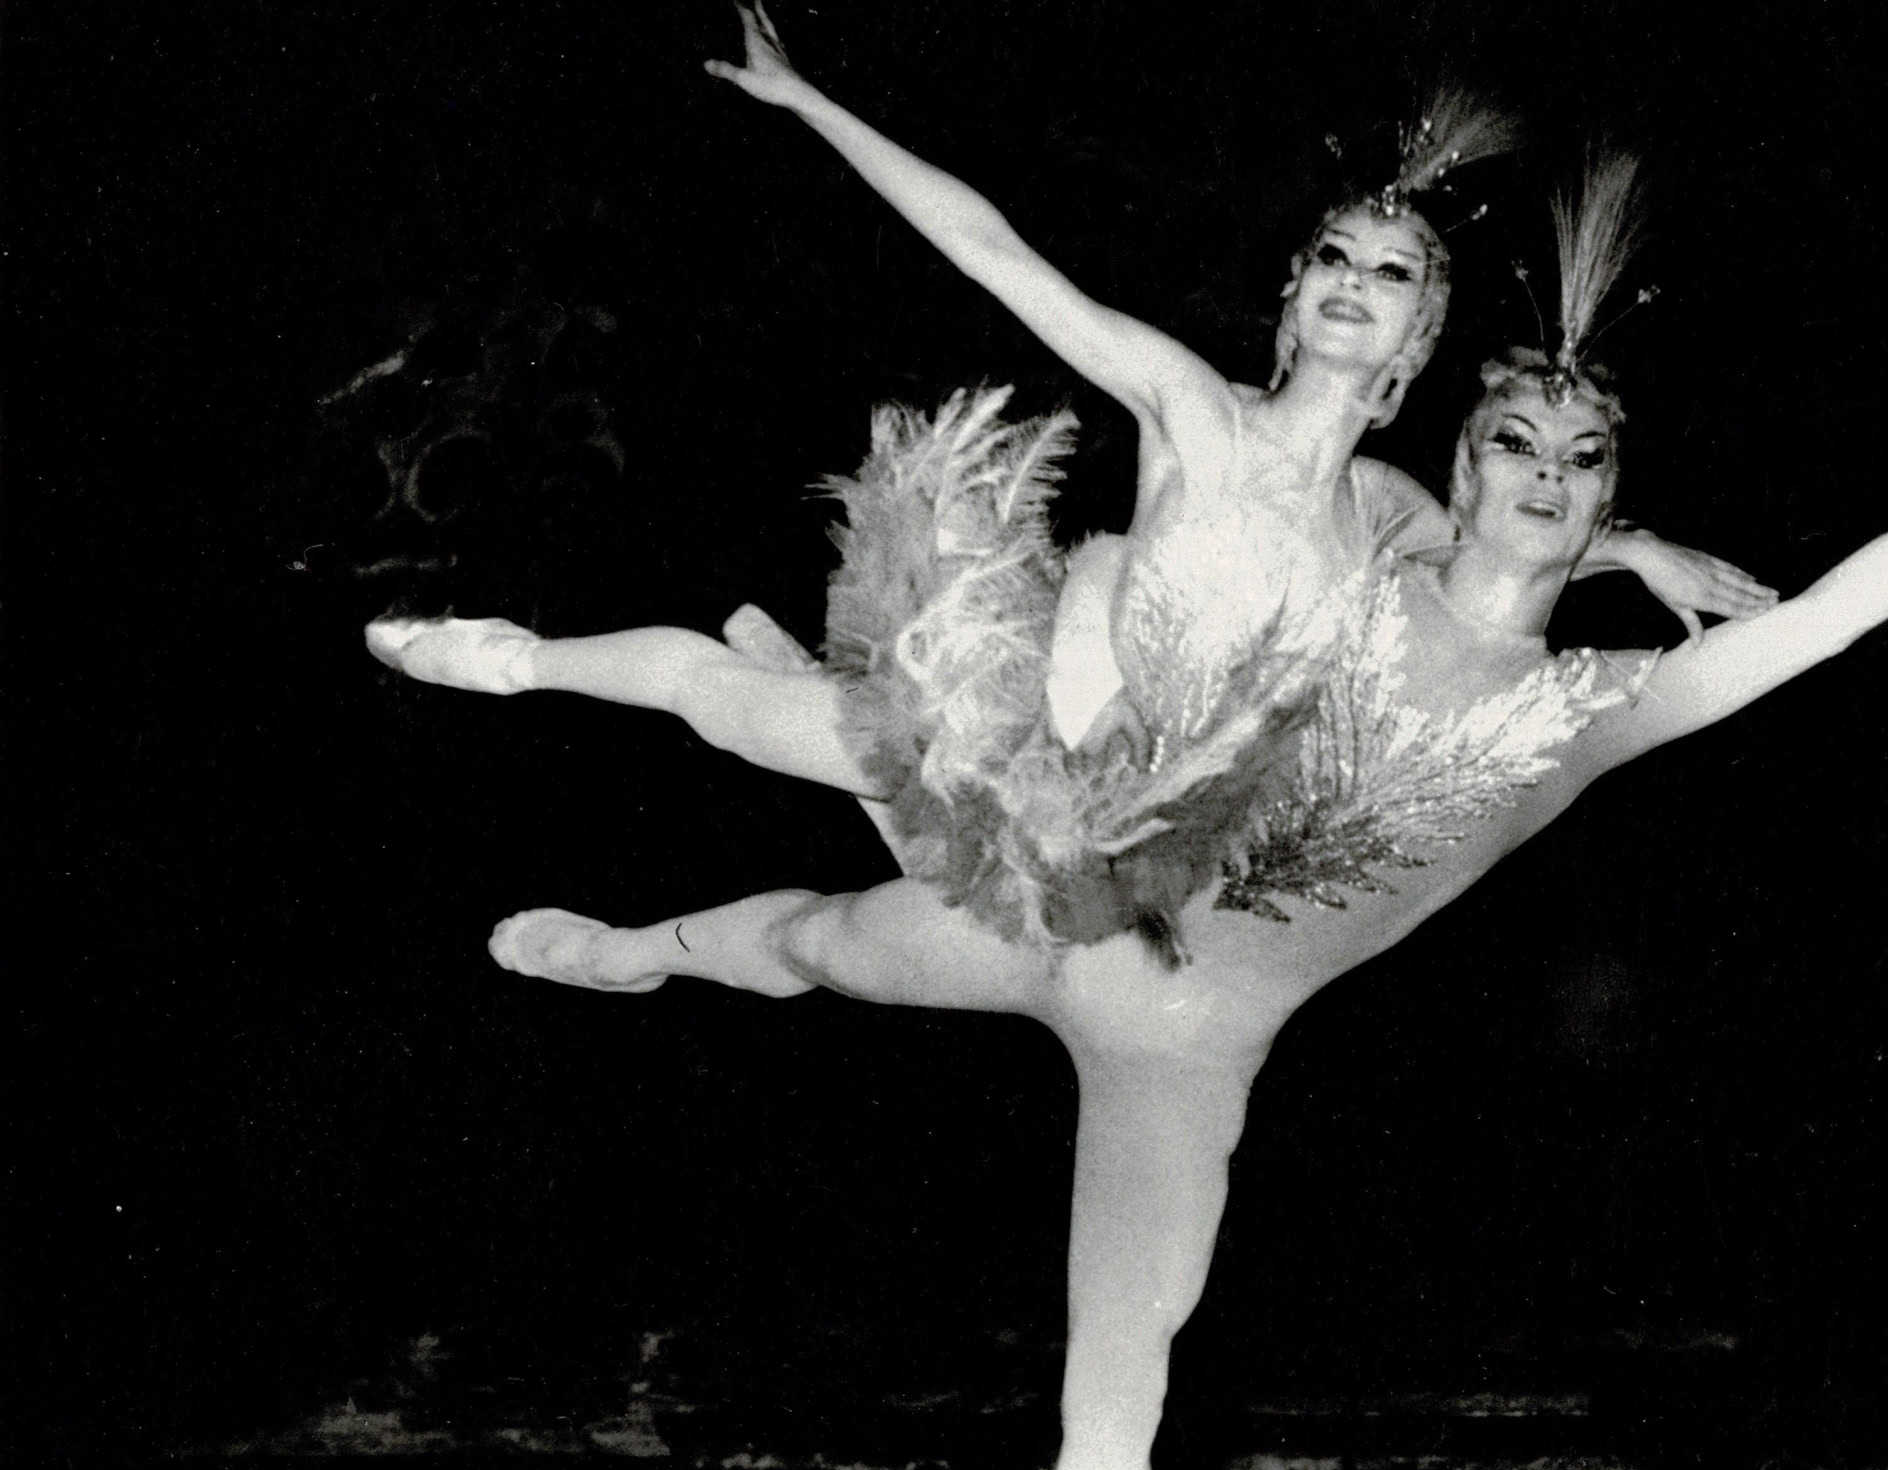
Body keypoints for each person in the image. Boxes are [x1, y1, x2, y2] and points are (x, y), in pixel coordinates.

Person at [392, 146, 1888, 1470]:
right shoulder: (1355, 568)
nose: (1547, 474)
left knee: (1120, 1391)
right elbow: (1187, 482)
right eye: (1515, 441)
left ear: (1617, 487)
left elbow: (1822, 624)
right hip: (1065, 897)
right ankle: (637, 897)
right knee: (810, 938)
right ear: (1454, 471)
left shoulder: (1604, 710)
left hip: (1196, 1041)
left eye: (1588, 457)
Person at [366, 5, 1774, 878]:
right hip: (1021, 740)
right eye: (1333, 255)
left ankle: (774, 670)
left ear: (1416, 344)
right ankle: (509, 654)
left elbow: (1508, 547)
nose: (1355, 278)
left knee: (930, 918)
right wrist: (810, 104)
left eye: (1393, 273)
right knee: (716, 708)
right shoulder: (1190, 405)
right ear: (1292, 301)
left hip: (1153, 834)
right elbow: (998, 254)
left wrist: (1642, 545)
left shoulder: (1396, 505)